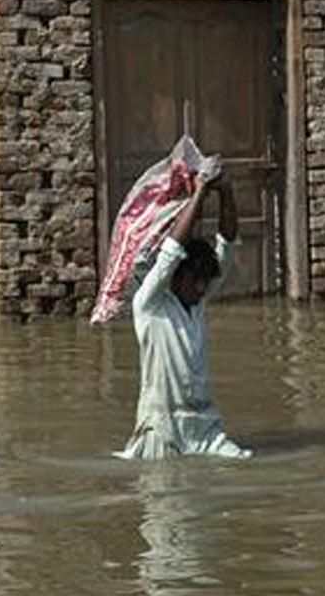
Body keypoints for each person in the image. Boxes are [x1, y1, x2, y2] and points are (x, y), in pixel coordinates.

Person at [114, 169, 252, 460]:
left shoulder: (197, 304)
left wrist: (225, 192)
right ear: (176, 277)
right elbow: (171, 253)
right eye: (195, 280)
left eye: (205, 281)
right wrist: (200, 192)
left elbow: (227, 245)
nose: (202, 288)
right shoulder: (150, 305)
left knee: (242, 463)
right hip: (160, 428)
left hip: (206, 428)